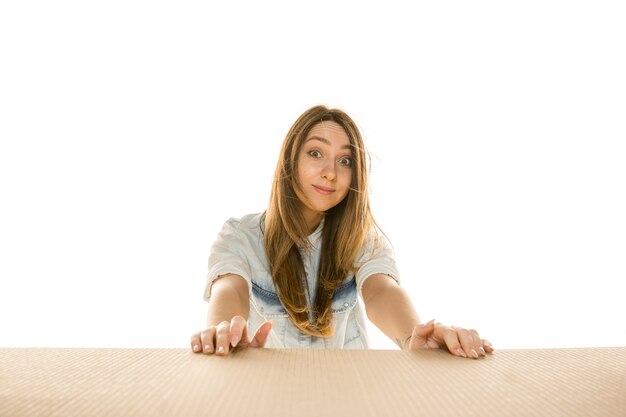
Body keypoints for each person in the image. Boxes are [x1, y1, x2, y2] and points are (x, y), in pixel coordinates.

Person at [190, 105, 493, 359]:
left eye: (345, 160)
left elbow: (380, 292)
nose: (331, 172)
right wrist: (224, 332)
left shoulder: (364, 239)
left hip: (349, 392)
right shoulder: (239, 235)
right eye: (315, 153)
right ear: (289, 161)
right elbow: (229, 289)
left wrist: (414, 335)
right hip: (270, 391)